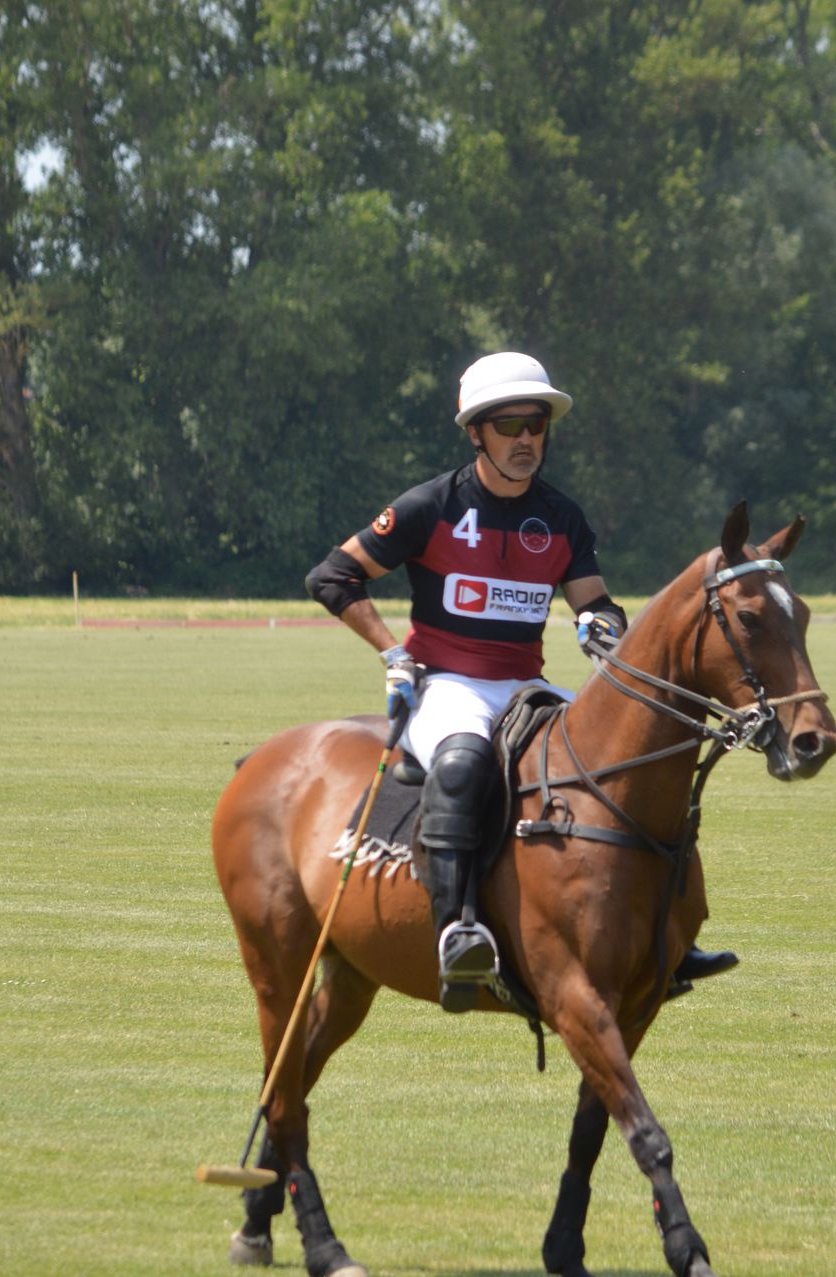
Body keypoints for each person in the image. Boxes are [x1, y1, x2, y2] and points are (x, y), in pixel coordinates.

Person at [305, 351, 737, 1011]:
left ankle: (670, 932)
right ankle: (456, 932)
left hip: (525, 686)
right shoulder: (431, 506)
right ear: (476, 432)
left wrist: (599, 624)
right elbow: (333, 575)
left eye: (536, 424)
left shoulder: (561, 517)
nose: (526, 438)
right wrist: (392, 652)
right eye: (509, 425)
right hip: (448, 684)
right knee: (461, 765)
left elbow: (596, 601)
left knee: (641, 752)